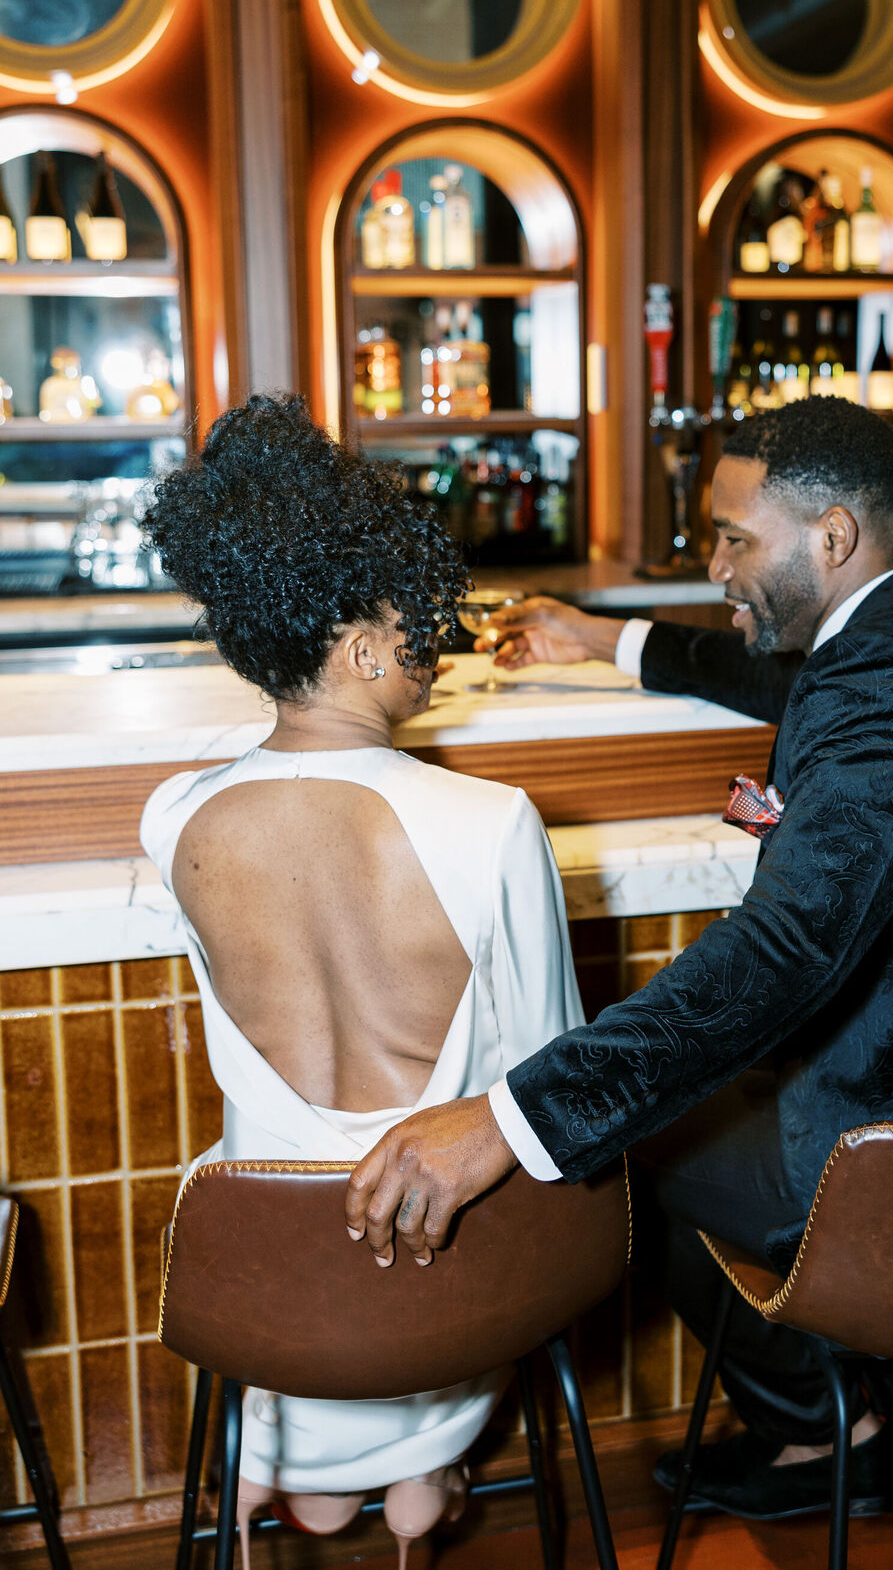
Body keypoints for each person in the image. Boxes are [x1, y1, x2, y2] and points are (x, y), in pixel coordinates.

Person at [343, 396, 893, 1524]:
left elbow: (789, 949)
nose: (713, 563)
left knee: (627, 1155)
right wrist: (607, 639)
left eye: (734, 537)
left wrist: (510, 1116)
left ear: (831, 537)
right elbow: (797, 680)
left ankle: (819, 1436)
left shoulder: (879, 685)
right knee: (726, 1095)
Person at [139, 397, 584, 1570]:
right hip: (448, 1293)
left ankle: (306, 1484)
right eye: (412, 623)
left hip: (269, 1301)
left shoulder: (174, 818)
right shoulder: (489, 823)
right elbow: (552, 1077)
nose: (430, 646)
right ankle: (419, 1472)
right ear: (355, 645)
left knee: (309, 1299)